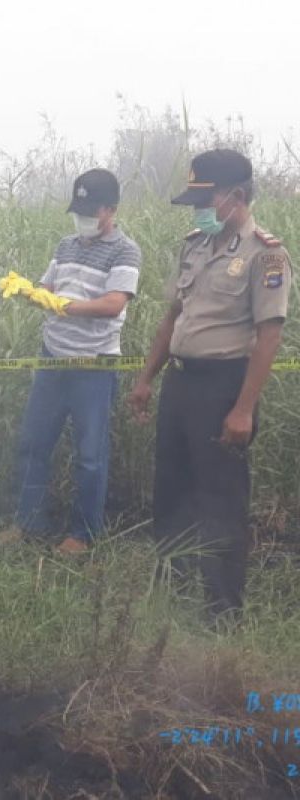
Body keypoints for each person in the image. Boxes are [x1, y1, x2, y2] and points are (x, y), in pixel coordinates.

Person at [128, 149, 291, 623]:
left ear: (235, 197)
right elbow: (172, 318)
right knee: (172, 491)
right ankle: (172, 596)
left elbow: (269, 335)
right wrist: (145, 380)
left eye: (206, 198)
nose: (199, 209)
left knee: (220, 500)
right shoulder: (195, 244)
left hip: (224, 389)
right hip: (180, 385)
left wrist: (243, 409)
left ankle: (221, 613)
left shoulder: (266, 254)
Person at [0, 168, 141, 554]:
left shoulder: (125, 251)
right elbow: (49, 287)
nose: (84, 219)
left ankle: (83, 533)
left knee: (91, 455)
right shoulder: (66, 245)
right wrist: (31, 291)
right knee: (33, 444)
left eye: (91, 211)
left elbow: (113, 304)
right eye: (79, 210)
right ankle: (28, 523)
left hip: (93, 365)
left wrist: (66, 306)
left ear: (110, 209)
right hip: (53, 360)